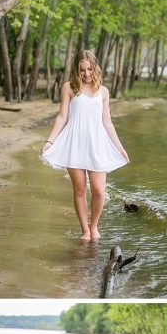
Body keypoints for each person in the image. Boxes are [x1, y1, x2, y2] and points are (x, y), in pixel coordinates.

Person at [41, 50, 129, 240]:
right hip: (74, 143)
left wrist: (119, 147)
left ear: (95, 68)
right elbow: (62, 116)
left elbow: (107, 121)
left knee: (98, 189)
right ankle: (85, 230)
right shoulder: (69, 88)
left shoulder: (103, 91)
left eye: (90, 69)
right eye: (82, 70)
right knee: (80, 189)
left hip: (97, 144)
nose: (87, 74)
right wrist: (50, 140)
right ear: (76, 70)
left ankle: (94, 225)